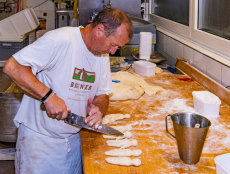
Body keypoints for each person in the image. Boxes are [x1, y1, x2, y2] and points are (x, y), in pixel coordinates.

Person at [3, 8, 133, 174]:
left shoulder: (102, 55)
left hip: (73, 141)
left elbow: (103, 93)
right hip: (40, 144)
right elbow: (13, 67)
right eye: (113, 45)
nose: (113, 51)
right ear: (100, 30)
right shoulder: (60, 40)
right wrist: (48, 96)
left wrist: (99, 108)